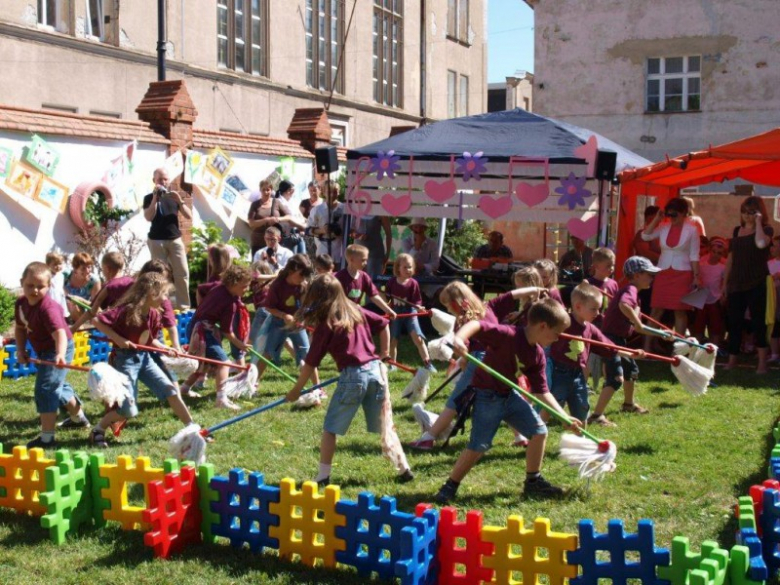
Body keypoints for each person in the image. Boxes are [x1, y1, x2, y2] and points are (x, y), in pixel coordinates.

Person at [434, 298, 582, 503]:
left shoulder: (537, 355)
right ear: (542, 326)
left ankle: (533, 482)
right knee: (479, 446)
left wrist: (565, 416)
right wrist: (459, 338)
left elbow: (542, 392)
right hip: (487, 397)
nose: (557, 339)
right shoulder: (507, 335)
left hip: (509, 396)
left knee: (539, 432)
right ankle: (450, 486)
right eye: (556, 333)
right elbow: (476, 324)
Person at [285, 274, 413, 486]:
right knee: (385, 424)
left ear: (317, 299)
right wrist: (384, 354)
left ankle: (323, 476)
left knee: (330, 428)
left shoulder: (327, 323)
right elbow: (383, 324)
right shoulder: (356, 309)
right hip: (376, 373)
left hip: (353, 377)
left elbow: (310, 363)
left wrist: (296, 390)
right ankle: (404, 468)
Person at [92, 272, 195, 448]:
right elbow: (96, 320)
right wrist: (118, 339)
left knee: (171, 390)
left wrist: (165, 348)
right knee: (128, 410)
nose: (165, 298)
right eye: (163, 294)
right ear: (151, 293)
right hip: (124, 360)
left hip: (144, 358)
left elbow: (149, 340)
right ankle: (98, 429)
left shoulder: (154, 314)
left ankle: (192, 429)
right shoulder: (127, 311)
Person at [408, 281, 497, 451]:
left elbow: (464, 346)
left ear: (456, 302)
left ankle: (429, 437)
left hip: (479, 360)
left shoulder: (464, 319)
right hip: (495, 360)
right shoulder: (486, 310)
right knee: (503, 397)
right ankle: (522, 435)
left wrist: (464, 360)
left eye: (448, 305)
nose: (448, 309)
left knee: (456, 398)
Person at [587, 256, 670, 427]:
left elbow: (630, 309)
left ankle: (628, 404)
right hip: (610, 340)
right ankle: (596, 416)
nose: (652, 278)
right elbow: (624, 306)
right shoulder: (630, 290)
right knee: (615, 378)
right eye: (649, 274)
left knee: (631, 370)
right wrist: (646, 326)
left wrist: (652, 327)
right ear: (637, 275)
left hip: (619, 339)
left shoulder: (633, 292)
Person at [15, 262, 90, 449]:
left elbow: (61, 335)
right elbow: (19, 328)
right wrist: (20, 349)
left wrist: (60, 354)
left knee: (46, 388)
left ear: (49, 286)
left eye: (40, 286)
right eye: (30, 285)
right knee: (58, 386)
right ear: (22, 283)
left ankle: (47, 438)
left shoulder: (48, 308)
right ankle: (78, 418)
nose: (34, 290)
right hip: (44, 350)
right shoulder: (21, 304)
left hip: (59, 348)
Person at [545, 283, 637, 424]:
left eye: (598, 309)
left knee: (582, 410)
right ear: (578, 307)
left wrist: (630, 354)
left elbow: (608, 346)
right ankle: (536, 435)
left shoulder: (590, 329)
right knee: (550, 409)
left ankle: (581, 441)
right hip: (559, 374)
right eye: (593, 309)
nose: (598, 313)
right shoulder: (563, 323)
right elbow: (545, 331)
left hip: (578, 377)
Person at [181, 265, 253, 409]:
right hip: (202, 332)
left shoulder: (218, 286)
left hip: (194, 324)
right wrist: (240, 344)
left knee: (204, 363)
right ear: (233, 283)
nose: (246, 289)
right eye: (244, 286)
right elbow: (227, 331)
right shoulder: (230, 303)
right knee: (224, 363)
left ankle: (184, 389)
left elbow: (201, 289)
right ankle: (221, 399)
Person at [641, 198, 700, 347]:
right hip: (663, 272)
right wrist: (657, 219)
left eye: (675, 215)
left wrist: (696, 276)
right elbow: (645, 236)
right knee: (656, 311)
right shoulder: (664, 226)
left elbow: (694, 255)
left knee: (679, 312)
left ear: (684, 213)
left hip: (683, 274)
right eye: (669, 215)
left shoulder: (692, 229)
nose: (671, 218)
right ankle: (647, 348)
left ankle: (678, 350)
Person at [724, 195, 773, 373]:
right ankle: (732, 361)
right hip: (736, 283)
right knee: (734, 323)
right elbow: (730, 259)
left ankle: (762, 363)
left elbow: (760, 244)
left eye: (751, 212)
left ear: (759, 213)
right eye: (744, 212)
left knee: (759, 323)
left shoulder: (766, 230)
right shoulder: (736, 231)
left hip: (757, 282)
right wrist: (725, 283)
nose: (747, 216)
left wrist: (758, 223)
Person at [255, 254, 317, 384]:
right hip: (278, 323)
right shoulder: (277, 286)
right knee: (268, 352)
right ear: (291, 271)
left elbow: (304, 306)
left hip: (297, 324)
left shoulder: (302, 285)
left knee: (307, 353)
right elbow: (269, 308)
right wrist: (284, 315)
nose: (303, 278)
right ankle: (254, 382)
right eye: (301, 275)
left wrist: (302, 318)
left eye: (305, 276)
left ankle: (318, 387)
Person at [143, 167, 191, 309]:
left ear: (169, 180)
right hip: (156, 240)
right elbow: (148, 217)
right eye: (160, 179)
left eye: (165, 179)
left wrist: (180, 201)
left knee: (182, 272)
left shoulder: (174, 197)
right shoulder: (148, 198)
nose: (163, 182)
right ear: (154, 181)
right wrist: (154, 200)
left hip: (175, 239)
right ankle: (163, 307)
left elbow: (188, 216)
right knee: (160, 276)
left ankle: (184, 306)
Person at [386, 253, 431, 368]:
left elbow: (417, 301)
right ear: (398, 268)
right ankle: (393, 364)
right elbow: (387, 298)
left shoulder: (413, 283)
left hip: (410, 312)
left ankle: (427, 363)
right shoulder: (391, 282)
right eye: (405, 267)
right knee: (393, 340)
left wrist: (418, 307)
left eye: (410, 267)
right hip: (395, 313)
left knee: (418, 338)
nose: (408, 269)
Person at [71, 252, 135, 332]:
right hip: (133, 324)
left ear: (107, 269)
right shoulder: (132, 282)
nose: (103, 272)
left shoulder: (109, 286)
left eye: (103, 269)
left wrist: (74, 328)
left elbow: (92, 310)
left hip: (116, 328)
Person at [334, 244, 395, 316]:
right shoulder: (339, 278)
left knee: (382, 322)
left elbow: (374, 296)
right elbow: (336, 300)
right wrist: (353, 307)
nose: (366, 263)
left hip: (355, 313)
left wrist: (388, 310)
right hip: (341, 314)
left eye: (366, 260)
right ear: (351, 260)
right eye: (363, 260)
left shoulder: (364, 277)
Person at [692, 236, 727, 347]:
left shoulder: (722, 267)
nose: (715, 255)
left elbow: (724, 282)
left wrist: (722, 294)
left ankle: (714, 347)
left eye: (719, 253)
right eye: (713, 251)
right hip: (702, 299)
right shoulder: (701, 265)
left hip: (715, 298)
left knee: (715, 324)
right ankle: (696, 347)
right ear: (709, 251)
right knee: (699, 324)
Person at [247, 180, 295, 258]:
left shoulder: (276, 202)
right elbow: (251, 223)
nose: (266, 192)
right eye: (263, 190)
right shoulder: (255, 205)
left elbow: (289, 216)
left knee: (273, 265)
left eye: (268, 190)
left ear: (271, 190)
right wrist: (266, 220)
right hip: (258, 242)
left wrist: (278, 219)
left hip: (273, 242)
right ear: (260, 190)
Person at [307, 179, 346, 266]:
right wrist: (322, 230)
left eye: (335, 191)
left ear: (339, 192)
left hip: (339, 250)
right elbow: (308, 230)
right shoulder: (317, 210)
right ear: (323, 192)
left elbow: (352, 228)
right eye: (329, 192)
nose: (332, 194)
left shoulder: (345, 209)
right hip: (322, 248)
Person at [353, 214, 393, 279]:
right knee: (357, 280)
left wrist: (387, 254)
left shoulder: (381, 212)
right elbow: (350, 230)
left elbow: (389, 234)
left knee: (374, 281)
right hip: (358, 252)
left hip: (375, 253)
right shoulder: (356, 210)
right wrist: (357, 235)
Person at [64, 252, 101, 322]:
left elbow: (96, 306)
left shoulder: (94, 281)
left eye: (89, 267)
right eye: (83, 268)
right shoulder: (65, 276)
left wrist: (79, 300)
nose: (87, 271)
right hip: (64, 309)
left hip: (82, 312)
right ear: (75, 269)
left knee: (74, 306)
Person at [276, 180, 307, 255]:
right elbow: (288, 219)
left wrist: (305, 222)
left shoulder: (292, 202)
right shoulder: (279, 202)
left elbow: (300, 216)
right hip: (288, 234)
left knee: (303, 256)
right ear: (287, 190)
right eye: (292, 190)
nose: (293, 192)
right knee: (293, 257)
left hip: (299, 232)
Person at [45, 252, 69, 319]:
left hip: (59, 298)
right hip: (51, 298)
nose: (58, 266)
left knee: (60, 313)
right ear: (48, 265)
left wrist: (64, 292)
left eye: (60, 264)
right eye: (55, 264)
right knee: (51, 314)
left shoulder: (61, 275)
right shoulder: (47, 275)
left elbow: (60, 286)